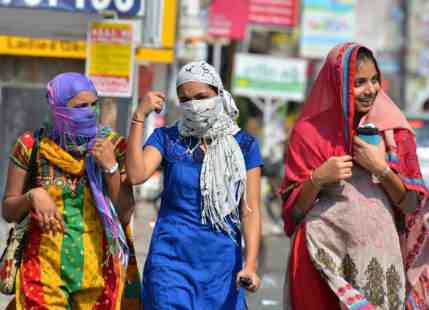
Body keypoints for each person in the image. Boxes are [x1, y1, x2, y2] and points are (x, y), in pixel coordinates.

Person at [280, 43, 429, 309]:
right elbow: (294, 212)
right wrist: (317, 179)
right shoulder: (309, 132)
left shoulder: (393, 131)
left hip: (378, 261)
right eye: (359, 82)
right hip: (323, 258)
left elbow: (410, 206)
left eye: (374, 80)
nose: (370, 90)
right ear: (338, 83)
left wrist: (380, 169)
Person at [126, 61, 263, 309]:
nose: (194, 106)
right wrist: (138, 117)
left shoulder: (244, 145)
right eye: (185, 99)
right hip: (170, 263)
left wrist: (250, 264)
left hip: (221, 268)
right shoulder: (167, 139)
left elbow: (250, 209)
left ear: (218, 93)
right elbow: (136, 175)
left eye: (202, 97)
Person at [1, 73, 140, 309]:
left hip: (98, 274)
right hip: (43, 273)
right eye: (80, 106)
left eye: (94, 104)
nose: (90, 112)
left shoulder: (112, 146)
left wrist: (111, 167)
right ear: (57, 109)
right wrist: (32, 196)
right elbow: (8, 210)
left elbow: (125, 213)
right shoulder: (31, 146)